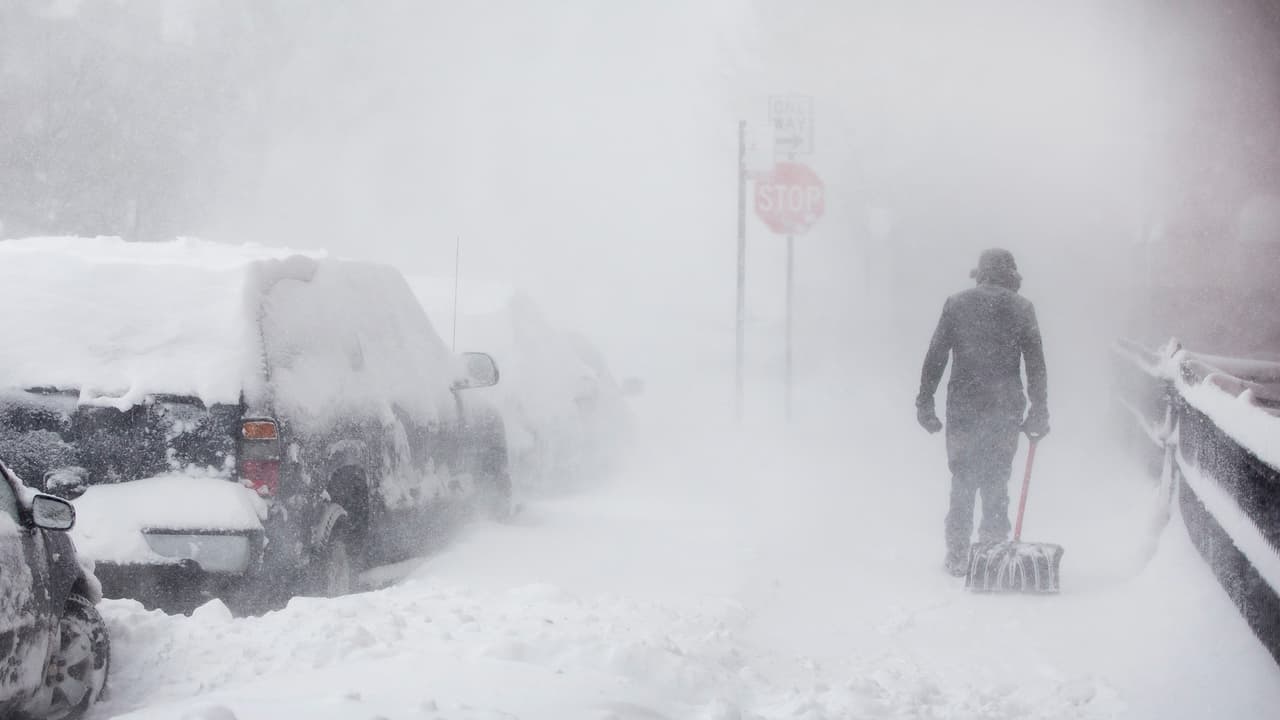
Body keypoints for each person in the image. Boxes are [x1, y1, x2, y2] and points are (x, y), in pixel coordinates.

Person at [916, 248, 1049, 577]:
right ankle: (991, 550)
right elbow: (1035, 364)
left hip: (964, 404)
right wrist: (1039, 408)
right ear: (1011, 275)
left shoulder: (957, 304)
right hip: (1004, 407)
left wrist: (925, 401)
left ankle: (958, 553)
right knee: (996, 478)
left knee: (962, 477)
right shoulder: (1022, 308)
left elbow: (936, 356)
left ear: (980, 274)